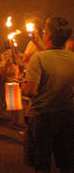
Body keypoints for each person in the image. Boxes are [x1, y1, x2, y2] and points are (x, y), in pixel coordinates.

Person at [22, 17, 74, 173]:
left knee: (42, 163)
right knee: (66, 163)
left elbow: (31, 91)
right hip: (68, 115)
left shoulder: (38, 58)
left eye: (45, 31)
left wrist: (23, 87)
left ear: (49, 35)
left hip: (42, 117)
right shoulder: (72, 58)